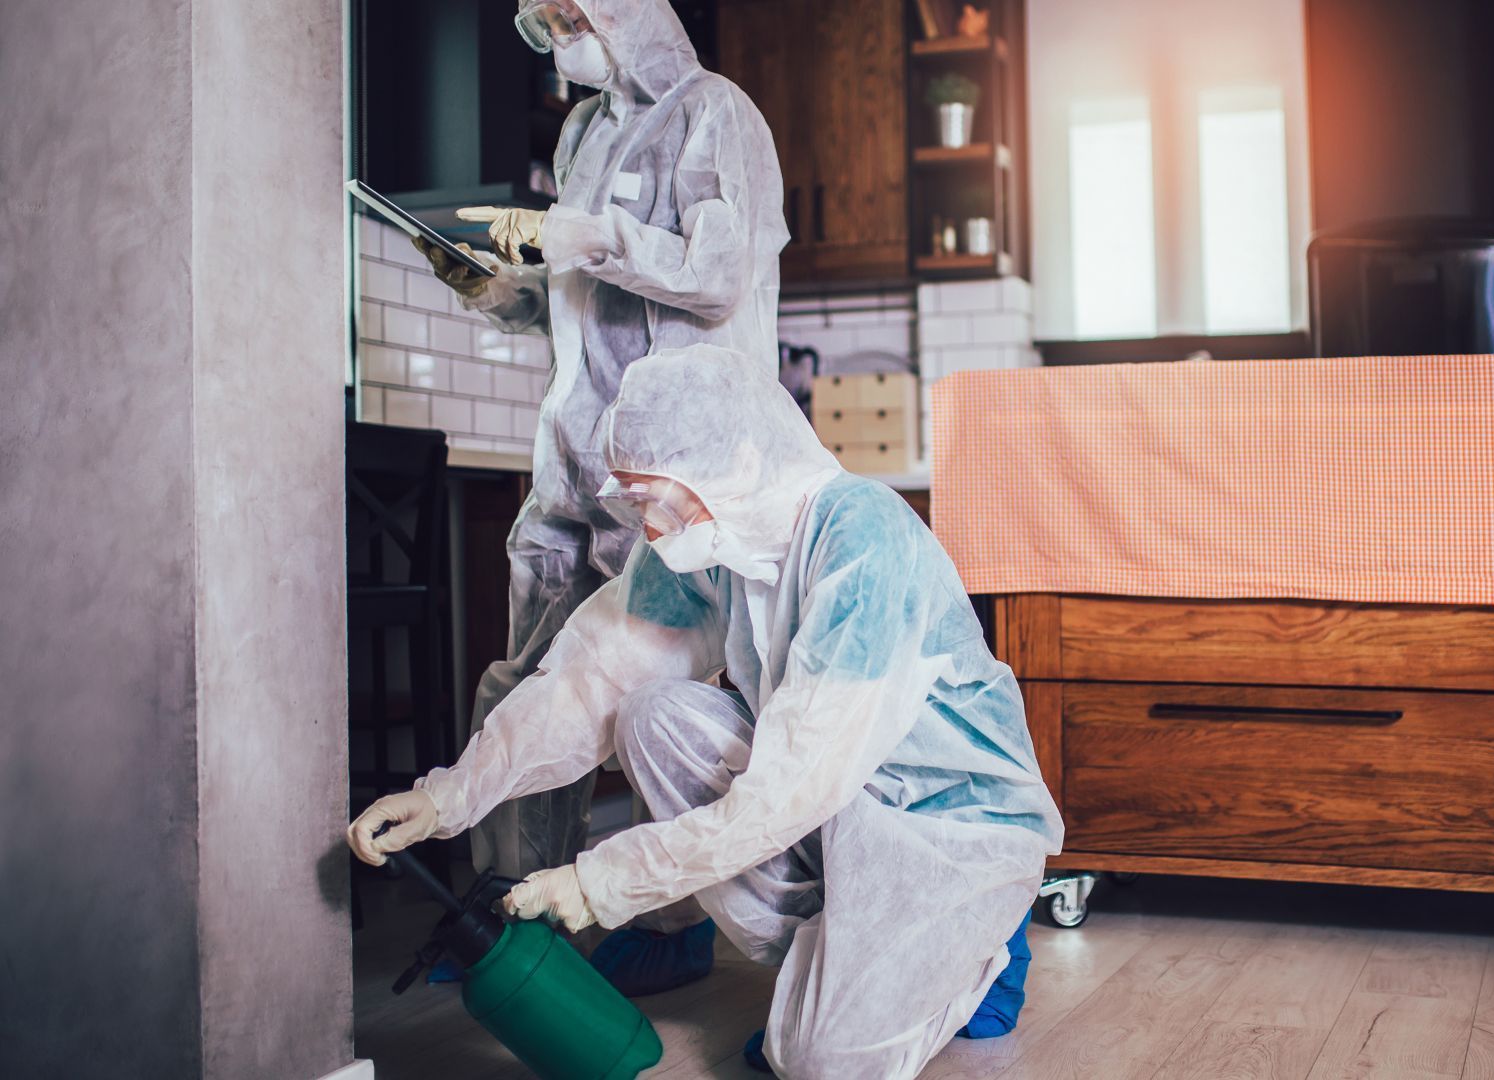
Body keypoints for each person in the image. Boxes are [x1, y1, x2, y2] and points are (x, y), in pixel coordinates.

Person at [350, 345, 1063, 1078]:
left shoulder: (864, 542)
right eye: (632, 500)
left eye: (657, 495)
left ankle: (980, 948)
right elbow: (589, 682)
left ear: (739, 462)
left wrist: (603, 882)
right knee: (650, 715)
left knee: (817, 1062)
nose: (648, 524)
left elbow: (793, 787)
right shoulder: (712, 544)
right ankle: (835, 975)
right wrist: (446, 798)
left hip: (946, 829)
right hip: (833, 807)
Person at [408, 0, 788, 976]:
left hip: (672, 476)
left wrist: (583, 233)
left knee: (654, 703)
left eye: (566, 8)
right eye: (538, 16)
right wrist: (498, 286)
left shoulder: (717, 113)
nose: (550, 27)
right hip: (571, 468)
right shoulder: (581, 130)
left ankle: (672, 927)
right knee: (529, 687)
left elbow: (720, 275)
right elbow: (579, 299)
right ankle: (514, 927)